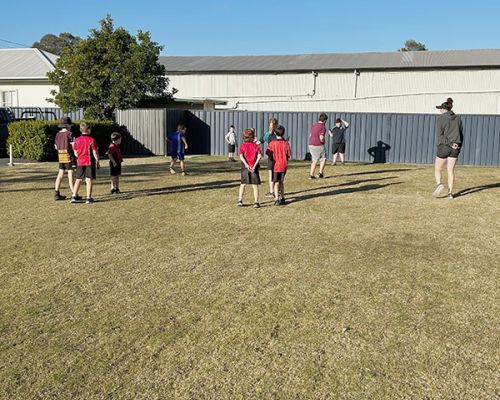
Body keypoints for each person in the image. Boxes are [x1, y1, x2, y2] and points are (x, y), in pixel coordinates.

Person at [432, 98, 463, 200]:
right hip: (455, 147)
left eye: (440, 108)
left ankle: (439, 184)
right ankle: (450, 193)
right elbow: (461, 134)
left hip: (444, 146)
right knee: (450, 171)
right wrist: (458, 147)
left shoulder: (441, 118)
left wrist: (449, 144)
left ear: (445, 109)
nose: (440, 110)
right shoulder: (458, 118)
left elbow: (440, 135)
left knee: (438, 168)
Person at [71, 122, 100, 204]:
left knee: (78, 179)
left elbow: (75, 153)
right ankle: (88, 198)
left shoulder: (76, 140)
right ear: (89, 130)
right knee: (89, 179)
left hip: (80, 162)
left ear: (81, 130)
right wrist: (97, 161)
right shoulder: (92, 140)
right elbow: (94, 152)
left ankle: (74, 196)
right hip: (89, 162)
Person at [53, 116, 78, 201]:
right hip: (69, 156)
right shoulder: (70, 134)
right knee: (71, 175)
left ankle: (56, 193)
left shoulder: (57, 134)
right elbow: (74, 145)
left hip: (61, 156)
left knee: (60, 174)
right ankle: (74, 193)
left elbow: (56, 146)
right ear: (68, 125)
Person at [266, 125, 291, 206]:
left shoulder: (272, 143)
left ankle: (277, 198)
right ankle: (282, 198)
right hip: (284, 165)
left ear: (275, 132)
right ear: (283, 133)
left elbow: (269, 154)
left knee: (276, 182)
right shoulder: (286, 143)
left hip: (276, 165)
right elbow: (288, 154)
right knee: (281, 182)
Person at [238, 128, 262, 208]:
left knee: (242, 184)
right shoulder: (256, 146)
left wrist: (246, 165)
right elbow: (259, 156)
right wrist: (254, 166)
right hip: (254, 168)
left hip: (245, 168)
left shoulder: (242, 146)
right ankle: (256, 201)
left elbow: (241, 156)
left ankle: (240, 200)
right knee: (254, 185)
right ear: (252, 137)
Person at [258, 118, 279, 197]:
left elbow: (259, 142)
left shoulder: (268, 135)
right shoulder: (278, 134)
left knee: (271, 174)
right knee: (277, 174)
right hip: (278, 157)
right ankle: (277, 191)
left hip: (271, 157)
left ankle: (271, 191)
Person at [308, 113, 328, 179]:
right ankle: (320, 173)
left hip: (311, 144)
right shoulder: (322, 127)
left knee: (314, 160)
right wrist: (323, 141)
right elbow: (321, 137)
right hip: (318, 144)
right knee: (323, 158)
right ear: (325, 121)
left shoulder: (314, 125)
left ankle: (311, 175)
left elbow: (310, 135)